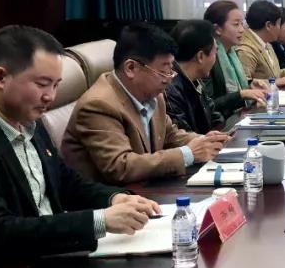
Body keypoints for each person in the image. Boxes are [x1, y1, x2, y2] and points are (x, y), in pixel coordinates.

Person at [0, 26, 159, 268]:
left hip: (52, 263)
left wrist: (114, 198)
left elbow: (65, 181)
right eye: (42, 84)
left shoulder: (27, 119)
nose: (51, 96)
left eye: (56, 85)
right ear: (0, 77)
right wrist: (99, 221)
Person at [62, 24, 230, 185]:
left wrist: (206, 141)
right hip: (112, 197)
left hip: (145, 189)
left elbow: (170, 135)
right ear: (131, 68)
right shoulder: (99, 105)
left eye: (171, 70)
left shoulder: (154, 95)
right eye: (163, 71)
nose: (169, 79)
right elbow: (120, 166)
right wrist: (187, 154)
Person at [203, 0, 267, 122]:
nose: (242, 30)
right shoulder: (208, 58)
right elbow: (208, 106)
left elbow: (236, 89)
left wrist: (250, 86)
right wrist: (241, 94)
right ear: (217, 29)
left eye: (242, 24)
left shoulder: (232, 53)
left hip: (237, 118)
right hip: (220, 125)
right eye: (236, 24)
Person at [165, 20, 225, 134]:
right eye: (215, 52)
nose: (216, 58)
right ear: (200, 56)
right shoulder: (170, 89)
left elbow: (214, 116)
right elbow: (183, 135)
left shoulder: (196, 80)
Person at [236, 0, 285, 87]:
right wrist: (274, 82)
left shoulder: (266, 43)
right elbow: (245, 85)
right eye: (278, 24)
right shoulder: (246, 50)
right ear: (268, 25)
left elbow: (273, 74)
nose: (279, 28)